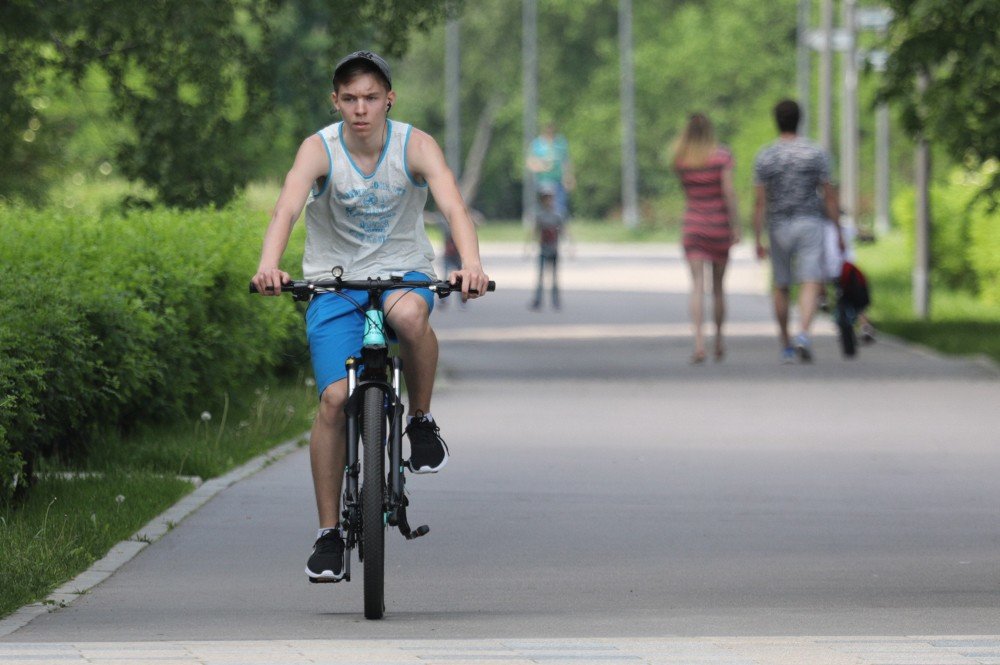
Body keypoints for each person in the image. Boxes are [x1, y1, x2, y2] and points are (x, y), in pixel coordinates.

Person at [251, 50, 490, 583]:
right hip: (334, 282)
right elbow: (287, 207)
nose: (361, 109)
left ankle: (421, 422)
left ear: (389, 100)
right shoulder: (320, 148)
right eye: (350, 99)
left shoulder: (415, 144)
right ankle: (329, 534)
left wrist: (470, 264)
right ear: (336, 101)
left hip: (403, 272)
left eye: (371, 98)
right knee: (335, 399)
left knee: (408, 320)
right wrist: (269, 265)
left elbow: (453, 207)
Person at [752, 99, 843, 363]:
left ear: (776, 120)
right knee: (810, 280)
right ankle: (803, 332)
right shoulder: (815, 153)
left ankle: (785, 343)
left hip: (778, 225)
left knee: (781, 284)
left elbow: (760, 201)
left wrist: (757, 237)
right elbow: (829, 195)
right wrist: (837, 231)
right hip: (810, 223)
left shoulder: (766, 156)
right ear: (799, 119)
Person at [671, 113, 741, 363]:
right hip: (719, 227)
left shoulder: (681, 159)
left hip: (693, 226)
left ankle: (699, 343)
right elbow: (729, 192)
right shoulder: (722, 156)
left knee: (697, 287)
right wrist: (736, 225)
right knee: (719, 288)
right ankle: (719, 341)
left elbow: (687, 191)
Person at [529, 183, 570, 310]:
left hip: (554, 250)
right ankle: (538, 300)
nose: (547, 200)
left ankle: (556, 301)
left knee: (554, 277)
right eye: (545, 198)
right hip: (543, 249)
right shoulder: (540, 215)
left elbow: (564, 231)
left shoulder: (557, 215)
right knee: (540, 277)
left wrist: (570, 246)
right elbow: (534, 231)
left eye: (549, 197)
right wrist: (528, 246)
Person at [526, 123, 575, 219]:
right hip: (544, 180)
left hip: (559, 179)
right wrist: (543, 167)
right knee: (547, 205)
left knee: (560, 206)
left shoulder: (560, 142)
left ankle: (561, 229)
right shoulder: (537, 144)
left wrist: (569, 176)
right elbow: (530, 163)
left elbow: (566, 161)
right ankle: (542, 227)